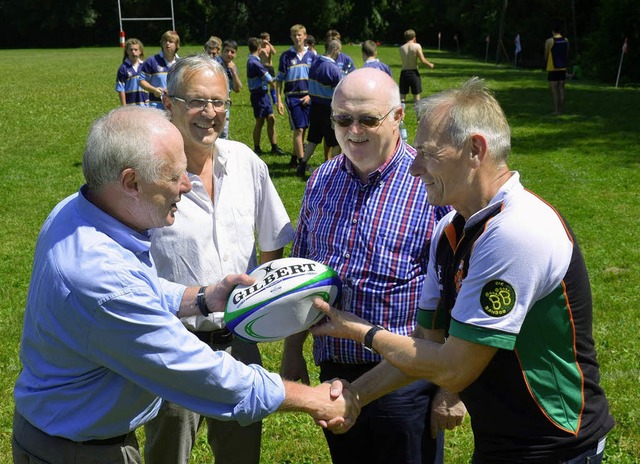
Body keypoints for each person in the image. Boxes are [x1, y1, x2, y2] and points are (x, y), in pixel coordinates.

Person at [11, 105, 359, 464]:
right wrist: (311, 398)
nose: (186, 185)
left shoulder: (79, 210)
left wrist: (205, 297)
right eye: (175, 175)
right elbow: (199, 373)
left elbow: (142, 289)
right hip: (80, 452)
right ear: (131, 183)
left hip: (68, 437)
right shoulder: (102, 279)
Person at [311, 77, 616, 463]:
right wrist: (356, 395)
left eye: (428, 153)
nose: (414, 167)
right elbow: (427, 341)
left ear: (475, 150)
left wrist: (357, 330)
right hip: (501, 442)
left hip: (557, 448)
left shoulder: (517, 233)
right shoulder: (451, 229)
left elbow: (454, 369)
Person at [281, 68, 457, 464]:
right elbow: (301, 270)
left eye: (368, 119)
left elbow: (458, 292)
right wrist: (293, 350)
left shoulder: (432, 185)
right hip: (334, 370)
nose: (353, 130)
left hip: (405, 374)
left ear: (398, 118)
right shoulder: (321, 180)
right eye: (343, 119)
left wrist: (450, 389)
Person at [140, 53, 291, 464]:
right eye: (197, 101)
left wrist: (260, 299)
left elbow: (273, 237)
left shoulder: (245, 162)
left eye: (219, 102)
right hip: (172, 348)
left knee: (241, 457)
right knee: (167, 456)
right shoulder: (144, 175)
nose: (210, 113)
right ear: (168, 103)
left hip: (239, 347)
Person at [297, 39, 343, 177]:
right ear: (335, 50)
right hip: (328, 110)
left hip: (314, 107)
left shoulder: (315, 63)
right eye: (339, 51)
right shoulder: (334, 69)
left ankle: (302, 165)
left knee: (313, 139)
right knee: (335, 142)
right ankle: (334, 171)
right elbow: (338, 93)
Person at [276, 24, 315, 169]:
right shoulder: (286, 56)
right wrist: (278, 100)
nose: (297, 38)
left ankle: (294, 158)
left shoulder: (312, 56)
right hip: (292, 97)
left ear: (305, 36)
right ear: (291, 37)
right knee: (299, 129)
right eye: (294, 35)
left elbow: (316, 79)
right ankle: (302, 163)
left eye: (300, 35)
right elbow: (279, 80)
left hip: (308, 97)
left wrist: (311, 95)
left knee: (303, 128)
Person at [247, 39, 286, 156]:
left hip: (263, 95)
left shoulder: (253, 61)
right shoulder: (255, 63)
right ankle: (257, 148)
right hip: (258, 95)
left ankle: (274, 147)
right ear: (259, 49)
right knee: (260, 121)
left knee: (271, 119)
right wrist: (281, 77)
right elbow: (269, 79)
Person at [139, 30, 180, 109]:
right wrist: (154, 90)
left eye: (171, 41)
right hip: (156, 105)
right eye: (165, 41)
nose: (167, 43)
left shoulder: (181, 63)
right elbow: (141, 81)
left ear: (176, 45)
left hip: (175, 105)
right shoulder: (152, 61)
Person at [399, 29, 435, 104]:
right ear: (414, 37)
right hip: (413, 73)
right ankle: (417, 112)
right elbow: (422, 60)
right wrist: (430, 64)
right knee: (416, 96)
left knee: (402, 97)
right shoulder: (417, 46)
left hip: (404, 72)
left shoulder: (401, 48)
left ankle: (401, 111)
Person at [216, 39, 242, 139]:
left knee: (224, 132)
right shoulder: (215, 64)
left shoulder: (232, 67)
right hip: (214, 101)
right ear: (222, 51)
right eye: (226, 51)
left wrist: (234, 72)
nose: (229, 54)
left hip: (225, 103)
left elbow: (237, 88)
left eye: (232, 52)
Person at [115, 38, 149, 106]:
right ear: (127, 51)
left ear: (140, 51)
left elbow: (151, 83)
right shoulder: (123, 68)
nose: (133, 52)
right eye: (131, 50)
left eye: (136, 50)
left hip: (145, 105)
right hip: (130, 105)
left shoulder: (146, 66)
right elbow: (121, 89)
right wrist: (124, 107)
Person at [545, 23, 570, 115]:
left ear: (553, 31)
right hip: (562, 68)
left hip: (552, 68)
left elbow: (546, 54)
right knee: (561, 89)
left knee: (554, 90)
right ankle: (561, 109)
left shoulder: (549, 41)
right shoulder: (566, 40)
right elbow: (566, 54)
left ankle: (556, 110)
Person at [259, 32, 278, 103]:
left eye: (269, 38)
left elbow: (274, 52)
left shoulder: (269, 46)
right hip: (263, 67)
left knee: (272, 83)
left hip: (270, 67)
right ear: (262, 39)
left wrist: (269, 44)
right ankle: (264, 99)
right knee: (264, 85)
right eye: (267, 38)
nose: (268, 40)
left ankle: (274, 101)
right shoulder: (259, 47)